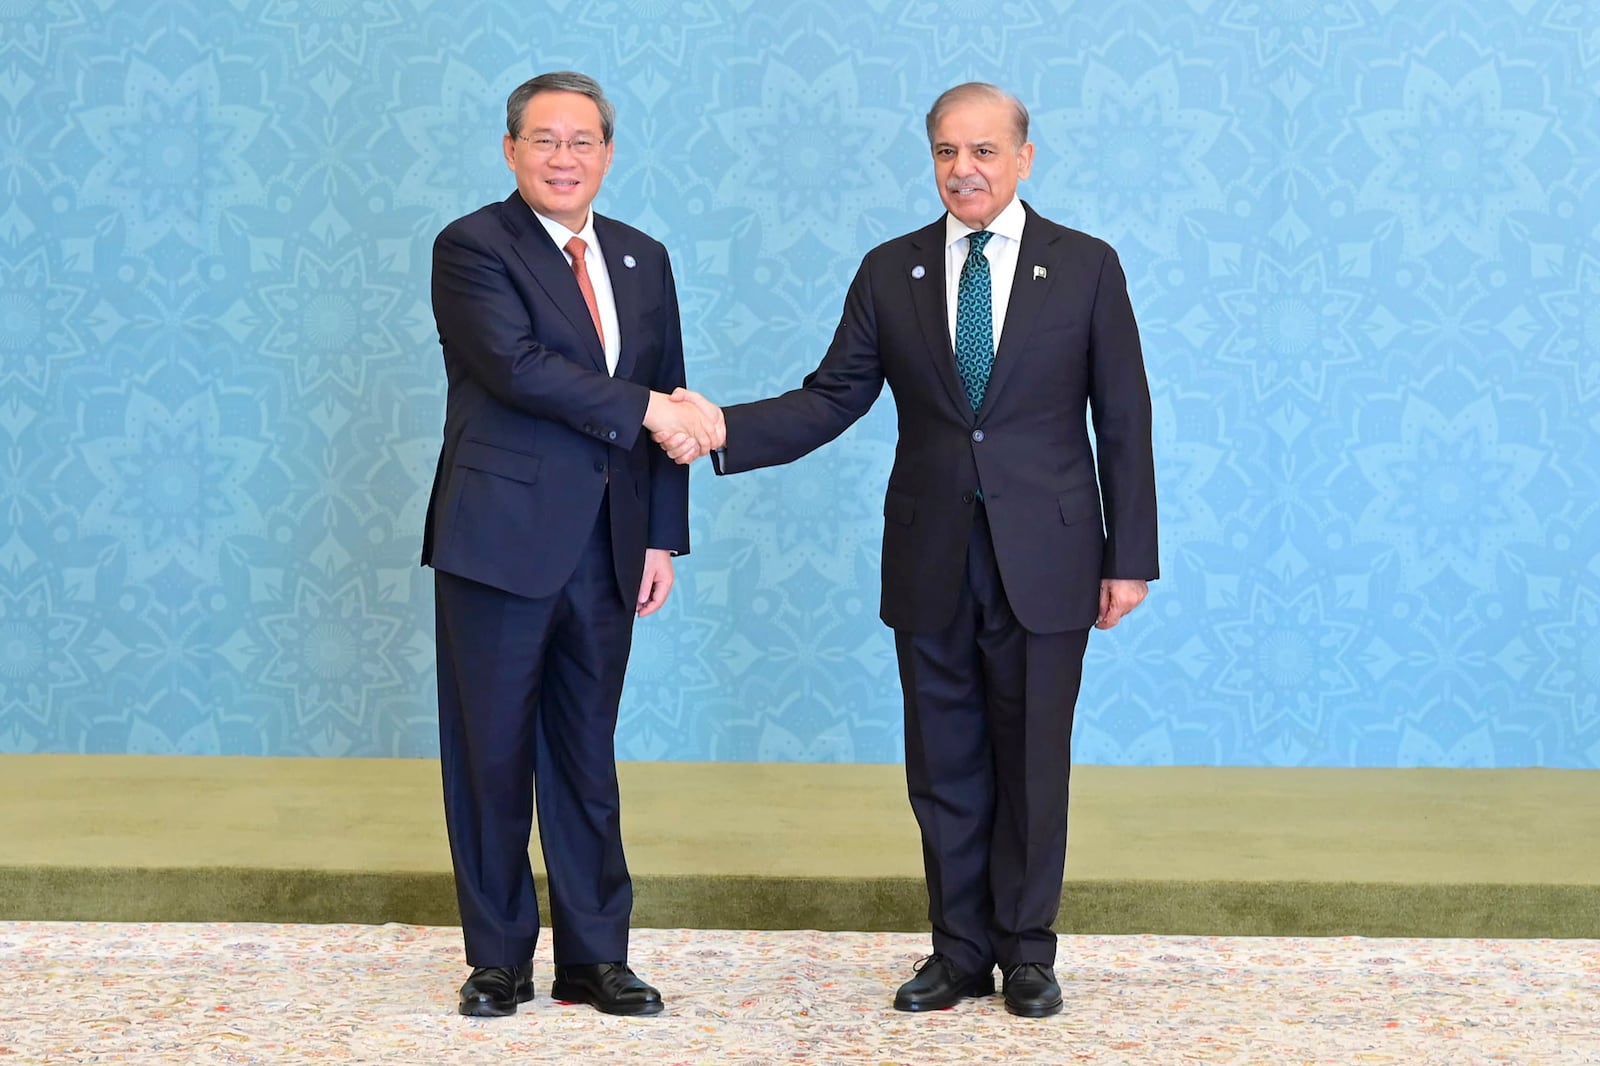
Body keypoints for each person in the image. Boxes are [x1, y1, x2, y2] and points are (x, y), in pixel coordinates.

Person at [657, 82, 1158, 1018]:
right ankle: (959, 952)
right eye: (944, 153)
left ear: (1023, 158)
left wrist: (1128, 554)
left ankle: (1029, 952)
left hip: (1048, 560)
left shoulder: (1086, 266)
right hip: (932, 556)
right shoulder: (893, 272)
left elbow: (1122, 419)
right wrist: (722, 426)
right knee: (943, 766)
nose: (963, 170)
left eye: (982, 152)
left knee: (1032, 760)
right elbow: (831, 396)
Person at [422, 70, 714, 1019]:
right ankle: (498, 958)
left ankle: (596, 957)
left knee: (587, 752)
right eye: (543, 140)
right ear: (510, 151)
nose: (563, 157)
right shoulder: (472, 246)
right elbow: (518, 368)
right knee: (492, 752)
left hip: (611, 546)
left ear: (608, 154)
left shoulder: (642, 257)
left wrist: (661, 540)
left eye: (581, 140)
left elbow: (668, 382)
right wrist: (653, 410)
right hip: (499, 543)